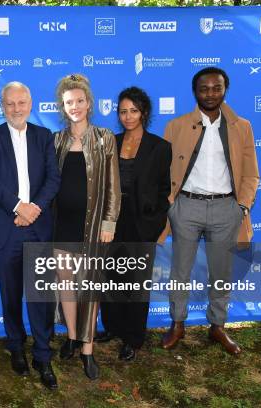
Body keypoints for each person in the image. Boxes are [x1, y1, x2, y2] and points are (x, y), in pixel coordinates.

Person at [159, 67, 259, 355]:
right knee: (180, 271)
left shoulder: (242, 126)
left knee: (221, 271)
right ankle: (177, 324)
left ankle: (217, 326)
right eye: (205, 89)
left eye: (217, 88)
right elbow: (164, 171)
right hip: (186, 207)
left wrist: (242, 206)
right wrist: (171, 204)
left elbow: (251, 173)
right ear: (195, 92)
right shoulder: (176, 126)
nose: (211, 94)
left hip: (226, 208)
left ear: (225, 89)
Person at [0, 82, 60, 389]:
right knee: (10, 295)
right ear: (2, 106)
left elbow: (54, 177)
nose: (16, 108)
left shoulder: (44, 137)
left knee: (41, 295)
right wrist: (17, 206)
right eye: (10, 104)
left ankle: (42, 353)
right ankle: (15, 344)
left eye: (21, 103)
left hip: (38, 227)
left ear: (30, 104)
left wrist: (34, 207)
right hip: (6, 227)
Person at [95, 87, 171, 361]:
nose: (128, 117)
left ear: (144, 113)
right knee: (111, 278)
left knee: (136, 281)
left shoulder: (160, 147)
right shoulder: (109, 142)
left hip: (142, 223)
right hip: (111, 220)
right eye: (123, 111)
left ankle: (133, 337)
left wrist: (155, 223)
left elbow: (164, 190)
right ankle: (112, 327)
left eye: (134, 111)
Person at [53, 73, 120, 380]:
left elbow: (113, 187)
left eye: (80, 101)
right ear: (62, 106)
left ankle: (88, 351)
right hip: (61, 224)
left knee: (90, 285)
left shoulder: (105, 138)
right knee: (66, 282)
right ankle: (70, 336)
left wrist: (109, 222)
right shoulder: (57, 140)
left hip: (93, 225)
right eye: (69, 102)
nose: (75, 106)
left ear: (89, 103)